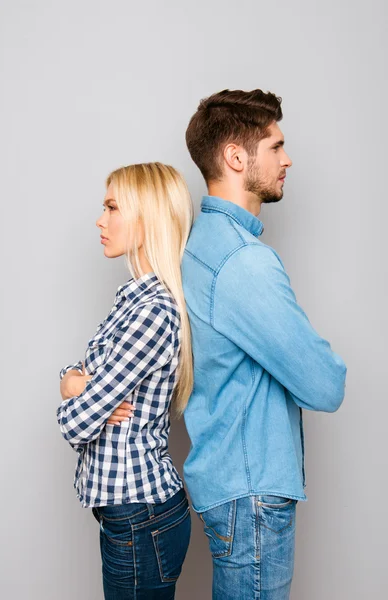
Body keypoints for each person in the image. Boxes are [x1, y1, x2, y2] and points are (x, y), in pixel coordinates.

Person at [181, 89, 347, 599]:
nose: (287, 159)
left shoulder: (201, 244)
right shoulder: (243, 261)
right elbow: (325, 384)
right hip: (251, 496)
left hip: (231, 487)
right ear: (236, 156)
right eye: (275, 146)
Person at [57, 162, 193, 600]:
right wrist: (76, 385)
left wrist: (79, 392)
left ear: (146, 218)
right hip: (130, 514)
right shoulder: (133, 303)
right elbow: (77, 378)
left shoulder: (153, 312)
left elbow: (77, 424)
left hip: (141, 515)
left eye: (113, 207)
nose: (100, 219)